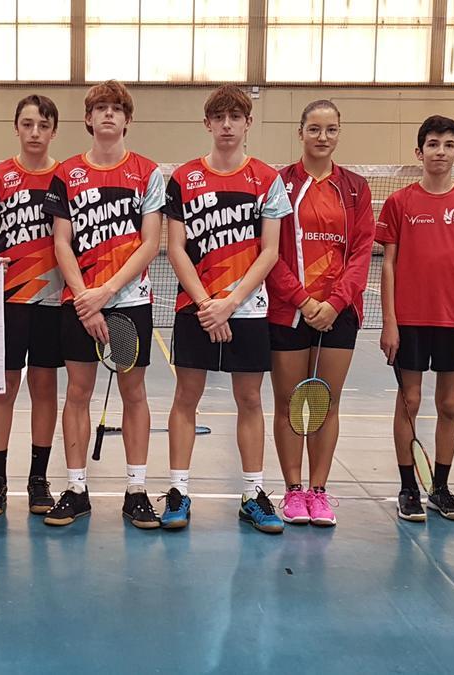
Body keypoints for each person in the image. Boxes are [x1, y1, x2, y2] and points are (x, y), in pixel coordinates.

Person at [161, 85, 290, 533]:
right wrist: (205, 304)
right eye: (220, 117)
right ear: (208, 124)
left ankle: (253, 493)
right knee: (186, 397)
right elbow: (174, 247)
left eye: (237, 117)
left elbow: (270, 250)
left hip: (248, 309)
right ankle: (178, 490)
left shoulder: (268, 179)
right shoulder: (182, 178)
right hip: (194, 307)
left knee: (250, 399)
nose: (228, 125)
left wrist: (231, 303)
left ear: (248, 123)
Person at [41, 80, 164, 528]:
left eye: (117, 108)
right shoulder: (67, 174)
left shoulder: (148, 172)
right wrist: (85, 302)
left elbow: (151, 243)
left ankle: (136, 489)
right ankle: (76, 488)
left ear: (127, 119)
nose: (109, 115)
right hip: (80, 302)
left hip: (128, 300)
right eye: (101, 108)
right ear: (89, 119)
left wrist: (107, 293)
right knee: (77, 392)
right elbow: (62, 243)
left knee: (135, 393)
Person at [377, 115, 454, 523]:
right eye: (432, 144)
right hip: (409, 320)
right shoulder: (399, 202)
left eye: (448, 144)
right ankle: (408, 487)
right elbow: (388, 265)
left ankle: (440, 488)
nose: (439, 151)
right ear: (419, 152)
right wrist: (389, 320)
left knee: (449, 403)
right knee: (409, 401)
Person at [265, 100, 374, 527]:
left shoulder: (355, 188)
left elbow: (363, 250)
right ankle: (293, 491)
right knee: (290, 403)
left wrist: (334, 303)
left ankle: (319, 491)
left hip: (339, 312)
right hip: (289, 310)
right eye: (314, 129)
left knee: (326, 403)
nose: (322, 137)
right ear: (301, 133)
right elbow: (268, 251)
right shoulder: (280, 184)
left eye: (330, 130)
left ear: (339, 133)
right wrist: (303, 300)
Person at [0, 95, 63, 517]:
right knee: (3, 389)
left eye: (43, 126)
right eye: (27, 124)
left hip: (52, 300)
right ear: (16, 127)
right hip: (7, 301)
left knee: (44, 388)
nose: (34, 133)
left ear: (53, 132)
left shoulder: (66, 177)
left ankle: (38, 479)